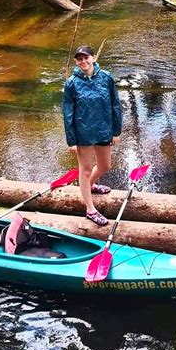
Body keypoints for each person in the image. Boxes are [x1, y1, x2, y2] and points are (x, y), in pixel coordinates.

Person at [62, 45, 122, 226]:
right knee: (85, 170)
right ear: (76, 62)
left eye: (86, 57)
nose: (83, 61)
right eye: (79, 59)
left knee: (105, 165)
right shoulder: (71, 83)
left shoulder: (106, 77)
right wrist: (72, 140)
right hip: (83, 132)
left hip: (104, 129)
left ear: (93, 58)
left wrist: (116, 130)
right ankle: (90, 209)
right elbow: (67, 112)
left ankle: (90, 185)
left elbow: (115, 104)